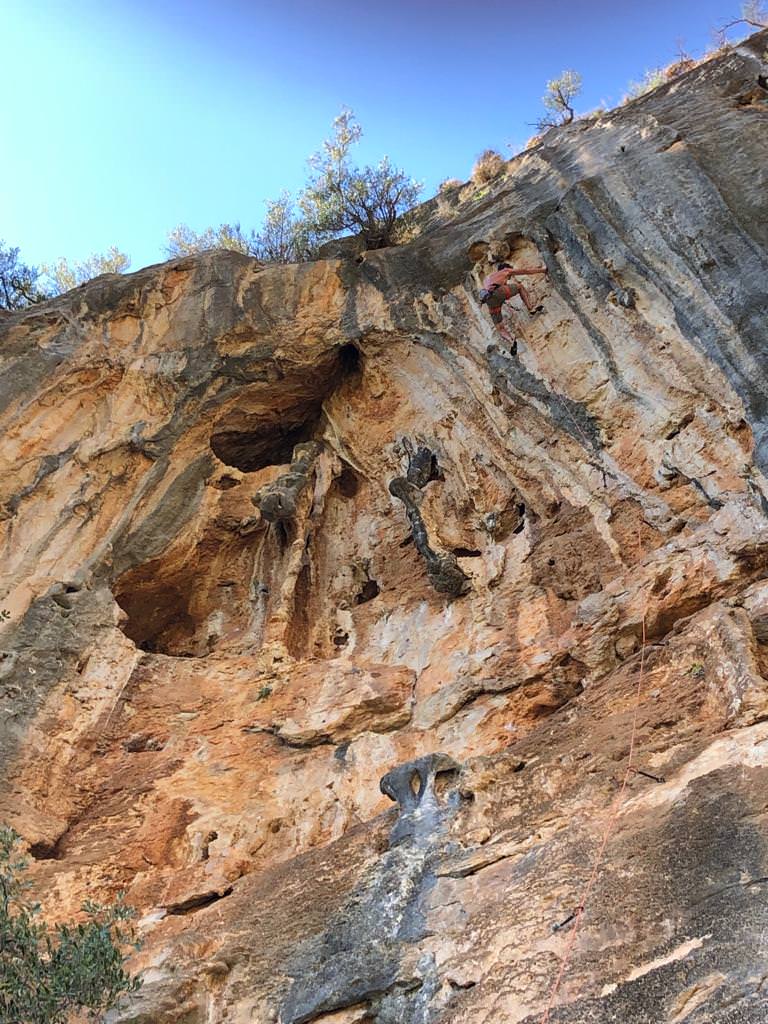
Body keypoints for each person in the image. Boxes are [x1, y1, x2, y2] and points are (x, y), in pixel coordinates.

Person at [480, 261, 548, 352]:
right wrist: (543, 270)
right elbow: (525, 271)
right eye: (509, 277)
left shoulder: (487, 279)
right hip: (499, 292)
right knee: (519, 287)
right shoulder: (505, 270)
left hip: (489, 300)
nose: (508, 279)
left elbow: (490, 291)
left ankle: (511, 340)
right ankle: (530, 309)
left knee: (499, 327)